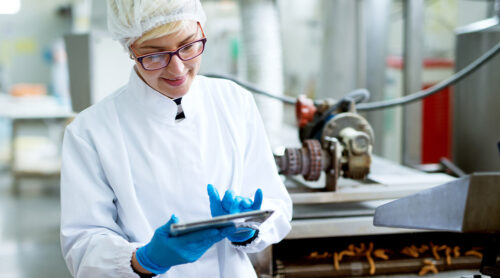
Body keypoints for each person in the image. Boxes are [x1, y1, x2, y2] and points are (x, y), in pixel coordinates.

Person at [59, 0, 292, 277]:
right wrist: (143, 260)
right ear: (130, 50)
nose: (178, 70)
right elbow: (83, 244)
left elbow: (275, 203)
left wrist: (247, 228)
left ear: (200, 28)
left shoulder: (233, 101)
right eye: (155, 55)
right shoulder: (91, 131)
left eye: (189, 46)